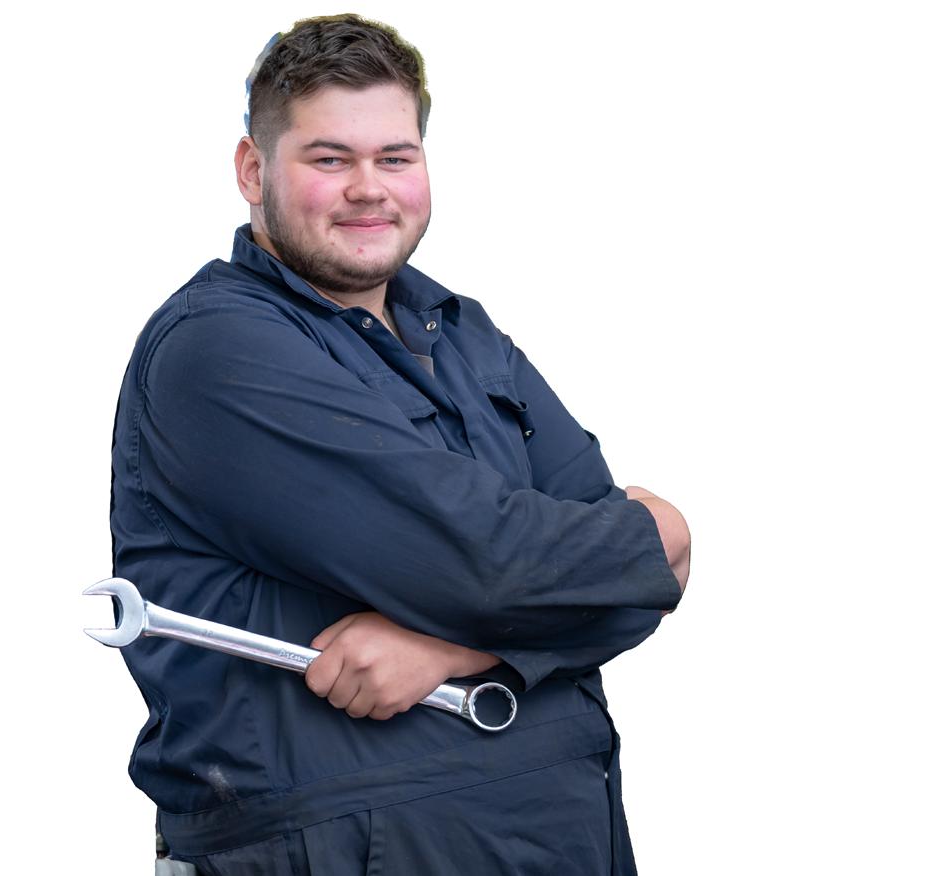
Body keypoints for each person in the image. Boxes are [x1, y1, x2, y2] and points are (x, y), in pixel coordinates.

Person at [108, 13, 691, 875]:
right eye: (328, 159)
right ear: (252, 170)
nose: (367, 188)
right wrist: (634, 548)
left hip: (566, 835)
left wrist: (452, 651)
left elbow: (653, 569)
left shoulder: (461, 331)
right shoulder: (219, 349)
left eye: (394, 157)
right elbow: (490, 565)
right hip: (350, 851)